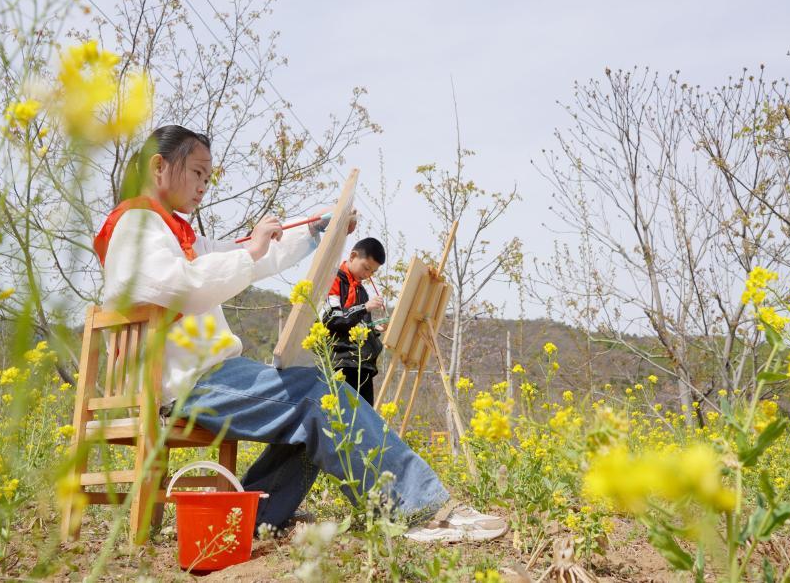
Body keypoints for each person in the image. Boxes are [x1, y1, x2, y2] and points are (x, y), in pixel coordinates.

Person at [95, 124, 506, 542]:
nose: (204, 185)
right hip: (186, 385)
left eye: (207, 176)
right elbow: (178, 286)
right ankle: (419, 509)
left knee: (318, 403)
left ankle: (253, 514)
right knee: (317, 396)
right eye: (198, 172)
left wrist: (312, 233)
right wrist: (252, 250)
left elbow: (242, 257)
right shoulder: (134, 226)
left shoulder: (175, 233)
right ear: (159, 166)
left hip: (209, 377)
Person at [323, 238, 386, 405]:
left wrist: (373, 328)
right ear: (352, 256)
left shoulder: (361, 290)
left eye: (372, 272)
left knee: (364, 417)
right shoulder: (333, 279)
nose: (367, 275)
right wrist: (364, 308)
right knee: (344, 415)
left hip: (362, 364)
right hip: (340, 361)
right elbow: (332, 319)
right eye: (366, 268)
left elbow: (358, 323)